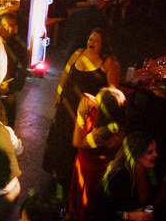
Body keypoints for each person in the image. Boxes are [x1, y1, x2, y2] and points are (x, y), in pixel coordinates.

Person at [42, 27, 120, 195]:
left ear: (104, 45)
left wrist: (97, 107)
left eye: (96, 41)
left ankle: (70, 179)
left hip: (87, 113)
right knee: (59, 138)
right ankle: (56, 172)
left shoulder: (109, 64)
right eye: (90, 39)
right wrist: (58, 94)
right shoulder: (78, 53)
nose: (91, 42)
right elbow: (65, 74)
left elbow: (113, 95)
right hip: (67, 105)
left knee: (75, 144)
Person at [67, 86, 127, 221]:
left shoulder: (103, 132)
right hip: (90, 165)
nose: (94, 101)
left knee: (86, 200)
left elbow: (77, 142)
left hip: (91, 170)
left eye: (99, 102)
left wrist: (81, 116)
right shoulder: (115, 118)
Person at [0, 12, 30, 127]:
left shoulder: (19, 46)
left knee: (8, 121)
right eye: (3, 25)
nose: (4, 28)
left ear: (15, 28)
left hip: (9, 89)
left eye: (10, 25)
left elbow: (22, 71)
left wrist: (14, 92)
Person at [59, 0, 111, 66]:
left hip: (70, 55)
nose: (105, 3)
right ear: (99, 1)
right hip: (87, 58)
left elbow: (65, 34)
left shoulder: (75, 14)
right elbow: (103, 41)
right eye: (105, 1)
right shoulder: (101, 19)